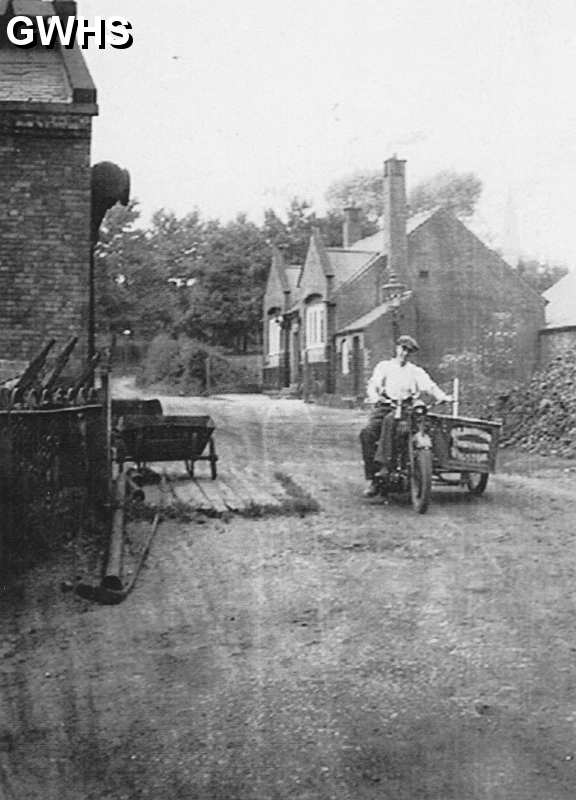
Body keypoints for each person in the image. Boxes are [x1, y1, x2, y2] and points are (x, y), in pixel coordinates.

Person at [360, 334, 452, 497]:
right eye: (403, 349)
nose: (405, 353)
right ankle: (374, 478)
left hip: (407, 407)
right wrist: (375, 396)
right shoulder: (384, 366)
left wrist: (442, 396)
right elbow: (373, 385)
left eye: (409, 351)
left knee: (394, 422)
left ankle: (387, 466)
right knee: (367, 433)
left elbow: (429, 386)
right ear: (397, 348)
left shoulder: (415, 371)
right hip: (387, 405)